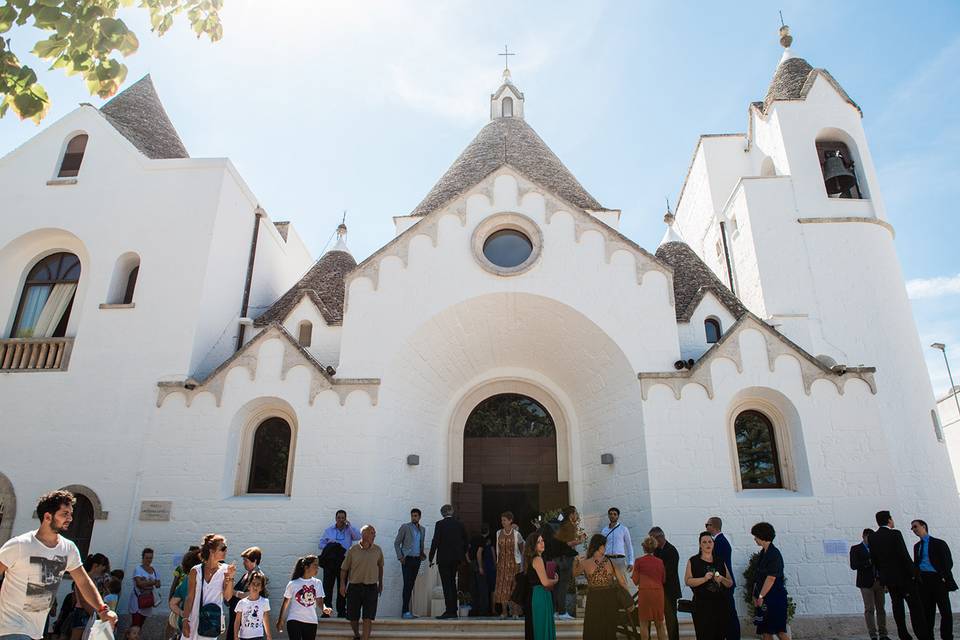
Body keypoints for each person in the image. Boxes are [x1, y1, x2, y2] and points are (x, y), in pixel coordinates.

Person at [0, 490, 118, 640]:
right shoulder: (20, 544)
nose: (70, 518)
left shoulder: (68, 548)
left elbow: (83, 581)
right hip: (11, 628)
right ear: (48, 516)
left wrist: (103, 610)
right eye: (65, 514)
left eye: (71, 513)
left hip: (36, 631)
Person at [869, 511, 931, 640]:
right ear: (889, 520)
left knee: (897, 608)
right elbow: (904, 555)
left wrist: (883, 578)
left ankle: (903, 635)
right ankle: (923, 635)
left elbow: (875, 560)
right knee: (915, 608)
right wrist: (914, 574)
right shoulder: (895, 534)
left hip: (889, 580)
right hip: (904, 578)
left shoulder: (873, 537)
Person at [181, 534, 236, 640]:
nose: (226, 551)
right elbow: (190, 597)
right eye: (223, 548)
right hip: (193, 620)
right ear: (212, 550)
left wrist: (230, 578)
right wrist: (185, 620)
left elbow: (228, 597)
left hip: (211, 621)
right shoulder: (195, 571)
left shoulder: (225, 570)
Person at [574, 534, 627, 640]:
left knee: (593, 629)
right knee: (609, 629)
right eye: (605, 545)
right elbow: (623, 582)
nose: (605, 548)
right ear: (600, 546)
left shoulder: (585, 562)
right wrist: (626, 598)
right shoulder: (611, 562)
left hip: (594, 598)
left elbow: (574, 574)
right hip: (610, 599)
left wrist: (575, 561)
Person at [911, 519, 956, 640]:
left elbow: (948, 562)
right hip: (923, 581)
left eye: (915, 526)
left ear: (923, 526)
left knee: (945, 611)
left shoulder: (939, 543)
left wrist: (943, 576)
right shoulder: (917, 546)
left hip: (937, 579)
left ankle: (947, 636)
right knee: (927, 611)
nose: (914, 530)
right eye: (912, 528)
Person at [684, 531, 733, 640]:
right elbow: (688, 581)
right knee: (704, 635)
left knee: (719, 635)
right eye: (704, 542)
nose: (707, 544)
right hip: (701, 606)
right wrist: (704, 579)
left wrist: (722, 579)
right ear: (700, 545)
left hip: (720, 605)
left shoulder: (720, 561)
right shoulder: (693, 561)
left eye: (710, 542)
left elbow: (730, 583)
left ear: (713, 544)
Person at [340, 525, 384, 640]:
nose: (374, 535)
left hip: (371, 587)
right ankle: (356, 635)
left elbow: (380, 566)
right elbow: (344, 569)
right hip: (354, 587)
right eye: (372, 532)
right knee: (353, 617)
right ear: (364, 534)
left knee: (368, 617)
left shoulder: (378, 550)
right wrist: (342, 585)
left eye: (374, 533)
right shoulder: (352, 550)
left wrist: (381, 583)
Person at [276, 556, 331, 640]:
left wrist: (324, 608)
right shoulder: (293, 584)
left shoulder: (317, 583)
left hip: (311, 621)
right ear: (306, 567)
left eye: (318, 565)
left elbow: (319, 601)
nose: (317, 568)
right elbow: (285, 603)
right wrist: (280, 620)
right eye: (315, 565)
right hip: (294, 620)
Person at [429, 504, 468, 619]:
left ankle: (449, 610)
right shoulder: (459, 524)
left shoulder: (440, 524)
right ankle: (453, 610)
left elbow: (435, 541)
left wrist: (431, 557)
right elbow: (466, 541)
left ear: (442, 513)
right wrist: (461, 554)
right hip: (456, 559)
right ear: (452, 511)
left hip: (444, 559)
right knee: (452, 583)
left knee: (446, 584)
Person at [318, 510, 360, 619]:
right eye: (339, 518)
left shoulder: (349, 530)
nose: (341, 520)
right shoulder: (329, 530)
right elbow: (320, 544)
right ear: (335, 518)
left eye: (343, 518)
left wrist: (349, 526)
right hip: (330, 561)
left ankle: (341, 611)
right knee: (327, 587)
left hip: (344, 561)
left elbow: (358, 536)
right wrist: (330, 544)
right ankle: (327, 611)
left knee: (342, 586)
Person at [750, 523, 789, 640]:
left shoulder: (774, 554)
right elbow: (758, 577)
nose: (754, 539)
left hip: (774, 598)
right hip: (764, 598)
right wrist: (755, 595)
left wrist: (761, 596)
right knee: (766, 631)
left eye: (755, 536)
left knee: (779, 632)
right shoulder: (763, 553)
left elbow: (771, 578)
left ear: (761, 536)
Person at [705, 516, 739, 640]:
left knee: (729, 614)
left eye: (707, 525)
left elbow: (718, 564)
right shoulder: (720, 541)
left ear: (713, 526)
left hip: (724, 583)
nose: (706, 527)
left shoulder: (720, 542)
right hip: (723, 582)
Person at [850, 528, 887, 640]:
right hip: (865, 583)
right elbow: (854, 565)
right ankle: (872, 634)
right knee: (869, 608)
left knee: (881, 608)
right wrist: (868, 562)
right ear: (864, 536)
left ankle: (883, 633)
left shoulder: (877, 549)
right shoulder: (856, 549)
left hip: (879, 581)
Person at [551, 506, 584, 620]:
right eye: (575, 513)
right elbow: (568, 543)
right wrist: (580, 540)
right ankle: (562, 612)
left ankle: (556, 611)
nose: (576, 515)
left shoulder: (559, 525)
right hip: (565, 559)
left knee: (556, 585)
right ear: (571, 514)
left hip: (556, 558)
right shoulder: (569, 525)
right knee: (563, 586)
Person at [523, 532, 557, 640]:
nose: (542, 543)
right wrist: (556, 580)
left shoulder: (531, 559)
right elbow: (545, 583)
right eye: (538, 542)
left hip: (538, 595)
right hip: (539, 596)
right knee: (541, 628)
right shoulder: (537, 559)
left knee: (539, 627)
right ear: (533, 545)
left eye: (542, 540)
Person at [393, 508, 426, 619]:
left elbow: (421, 544)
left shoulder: (422, 529)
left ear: (419, 517)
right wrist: (400, 557)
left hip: (417, 559)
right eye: (412, 515)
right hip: (407, 559)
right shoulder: (405, 527)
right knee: (407, 585)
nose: (413, 517)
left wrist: (422, 554)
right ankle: (405, 611)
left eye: (416, 516)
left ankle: (408, 611)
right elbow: (397, 543)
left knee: (411, 585)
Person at [650, 527, 681, 640]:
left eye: (652, 539)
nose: (651, 542)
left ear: (660, 537)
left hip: (669, 590)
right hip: (659, 589)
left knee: (671, 618)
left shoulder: (671, 550)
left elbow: (669, 571)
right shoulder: (657, 551)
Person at [633, 536, 667, 640]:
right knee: (660, 624)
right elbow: (663, 579)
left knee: (643, 624)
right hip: (658, 593)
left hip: (645, 593)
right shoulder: (660, 562)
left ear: (644, 548)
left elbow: (635, 581)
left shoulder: (638, 561)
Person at [69, 554, 110, 640]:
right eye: (103, 569)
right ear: (95, 566)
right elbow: (83, 601)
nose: (103, 573)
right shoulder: (84, 578)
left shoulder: (95, 580)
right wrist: (95, 614)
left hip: (92, 612)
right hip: (82, 612)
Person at [227, 547, 264, 640]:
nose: (243, 563)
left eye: (246, 560)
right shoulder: (247, 574)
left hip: (246, 621)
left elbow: (250, 594)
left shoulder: (257, 576)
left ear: (254, 561)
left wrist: (233, 592)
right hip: (236, 617)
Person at [494, 512, 523, 619]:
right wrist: (497, 562)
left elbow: (522, 549)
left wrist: (521, 564)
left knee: (514, 588)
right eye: (502, 520)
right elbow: (497, 549)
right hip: (502, 564)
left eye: (504, 520)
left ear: (510, 520)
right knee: (502, 588)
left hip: (514, 564)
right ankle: (504, 612)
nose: (502, 522)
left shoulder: (516, 534)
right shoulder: (498, 533)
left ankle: (515, 612)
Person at [168, 549, 202, 639]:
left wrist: (182, 613)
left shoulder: (186, 581)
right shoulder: (207, 579)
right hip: (202, 625)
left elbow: (172, 603)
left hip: (185, 625)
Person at [129, 548, 161, 635]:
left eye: (150, 558)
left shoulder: (154, 570)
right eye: (147, 558)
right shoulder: (138, 569)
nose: (149, 560)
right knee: (135, 625)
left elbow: (158, 584)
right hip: (137, 602)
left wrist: (146, 582)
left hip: (147, 602)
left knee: (140, 625)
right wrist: (151, 582)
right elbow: (139, 584)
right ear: (143, 558)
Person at [601, 508, 635, 588]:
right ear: (608, 515)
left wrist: (631, 562)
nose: (612, 516)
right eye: (611, 514)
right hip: (607, 559)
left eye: (615, 514)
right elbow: (601, 546)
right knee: (608, 583)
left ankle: (625, 600)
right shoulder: (604, 530)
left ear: (618, 516)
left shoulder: (623, 529)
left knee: (622, 583)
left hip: (619, 559)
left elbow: (629, 545)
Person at [233, 572, 271, 640]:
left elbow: (266, 619)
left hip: (258, 635)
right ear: (248, 586)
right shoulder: (242, 603)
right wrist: (235, 635)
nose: (255, 586)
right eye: (253, 583)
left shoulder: (264, 602)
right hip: (243, 636)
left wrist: (268, 635)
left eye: (258, 584)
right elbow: (237, 621)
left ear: (261, 588)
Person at [469, 524, 495, 617]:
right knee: (483, 588)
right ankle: (483, 611)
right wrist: (480, 567)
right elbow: (479, 553)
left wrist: (470, 562)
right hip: (479, 563)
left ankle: (474, 609)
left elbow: (467, 551)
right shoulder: (483, 540)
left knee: (474, 588)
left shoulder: (473, 538)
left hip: (472, 564)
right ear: (488, 531)